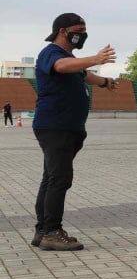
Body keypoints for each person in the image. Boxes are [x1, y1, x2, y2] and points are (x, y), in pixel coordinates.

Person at [31, 13, 117, 251]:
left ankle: (42, 230)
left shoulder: (71, 58)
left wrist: (105, 82)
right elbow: (61, 67)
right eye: (78, 30)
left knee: (50, 178)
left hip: (66, 127)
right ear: (62, 31)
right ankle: (51, 232)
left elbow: (83, 74)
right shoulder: (52, 53)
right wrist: (95, 58)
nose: (82, 34)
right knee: (59, 179)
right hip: (55, 126)